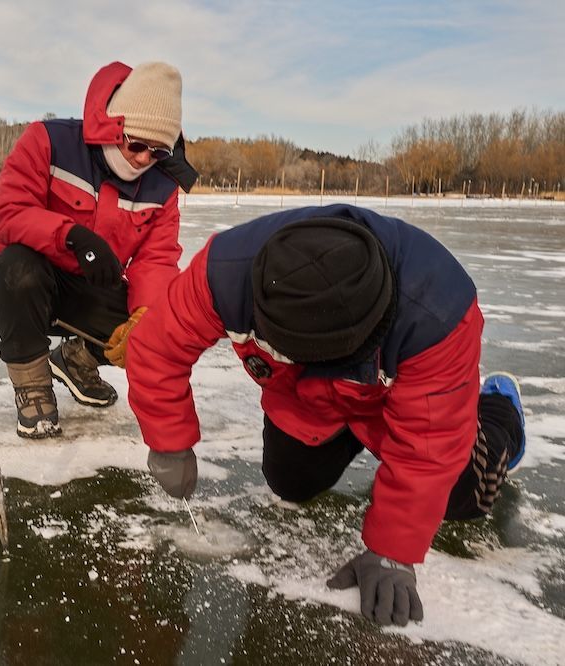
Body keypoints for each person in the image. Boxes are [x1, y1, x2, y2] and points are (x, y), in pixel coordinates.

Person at [122, 204, 527, 626]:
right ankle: (344, 433)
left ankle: (499, 411)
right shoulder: (224, 274)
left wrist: (392, 552)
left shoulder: (437, 309)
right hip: (308, 402)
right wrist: (169, 442)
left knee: (464, 499)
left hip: (399, 401)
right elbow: (157, 348)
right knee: (290, 483)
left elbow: (429, 450)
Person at [0, 61, 198, 439]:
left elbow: (157, 259)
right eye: (136, 144)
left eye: (158, 152)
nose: (144, 159)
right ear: (114, 127)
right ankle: (33, 386)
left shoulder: (163, 187)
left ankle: (76, 359)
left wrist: (146, 315)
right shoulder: (49, 141)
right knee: (18, 269)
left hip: (91, 288)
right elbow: (6, 213)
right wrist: (72, 237)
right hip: (28, 283)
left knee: (157, 325)